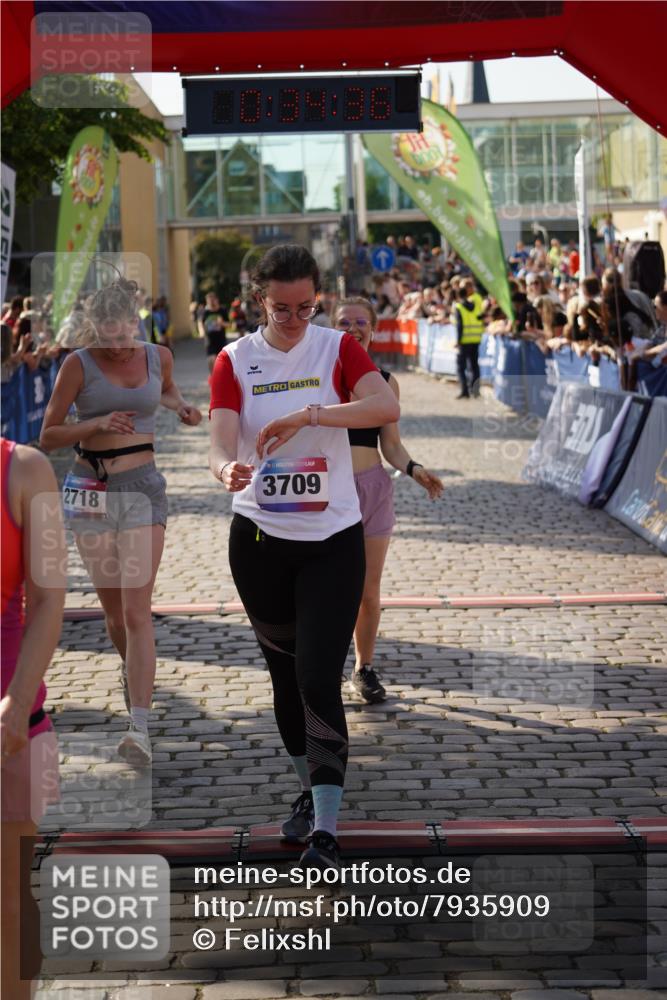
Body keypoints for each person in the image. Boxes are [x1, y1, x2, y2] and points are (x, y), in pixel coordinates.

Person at [208, 244, 399, 871]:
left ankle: (325, 823)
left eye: (305, 306)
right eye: (280, 308)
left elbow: (384, 406)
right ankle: (307, 784)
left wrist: (309, 413)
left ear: (317, 297)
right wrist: (226, 468)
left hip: (333, 540)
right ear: (258, 298)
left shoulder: (338, 349)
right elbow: (218, 443)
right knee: (286, 680)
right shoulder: (233, 359)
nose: (293, 318)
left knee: (319, 675)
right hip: (260, 543)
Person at [40, 275, 202, 765]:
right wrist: (95, 423)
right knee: (113, 615)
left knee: (136, 611)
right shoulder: (77, 364)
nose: (114, 345)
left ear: (135, 323)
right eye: (104, 336)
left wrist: (181, 408)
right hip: (89, 491)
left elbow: (166, 391)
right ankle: (133, 673)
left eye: (121, 334)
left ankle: (140, 726)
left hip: (142, 490)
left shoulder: (159, 356)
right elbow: (49, 435)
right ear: (93, 329)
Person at [333, 297, 443, 703]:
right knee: (329, 588)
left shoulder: (385, 380)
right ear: (331, 329)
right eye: (344, 322)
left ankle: (362, 669)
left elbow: (391, 445)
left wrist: (415, 470)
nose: (353, 327)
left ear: (374, 330)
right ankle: (322, 666)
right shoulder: (320, 375)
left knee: (368, 590)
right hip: (330, 492)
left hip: (374, 489)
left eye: (362, 321)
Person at [1, 438, 66, 1000]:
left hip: (13, 732)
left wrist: (17, 702)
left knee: (7, 900)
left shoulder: (24, 469)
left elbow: (48, 599)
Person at [454, 280, 485, 398]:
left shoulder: (459, 307)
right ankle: (475, 391)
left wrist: (458, 341)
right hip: (475, 339)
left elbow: (459, 326)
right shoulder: (476, 305)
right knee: (474, 365)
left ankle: (464, 391)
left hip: (464, 341)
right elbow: (480, 317)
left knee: (461, 367)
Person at [198, 291, 228, 374]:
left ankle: (220, 376)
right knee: (211, 359)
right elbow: (201, 322)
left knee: (221, 361)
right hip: (209, 340)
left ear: (216, 300)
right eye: (209, 300)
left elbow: (229, 324)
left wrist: (221, 323)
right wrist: (201, 332)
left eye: (212, 300)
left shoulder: (222, 310)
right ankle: (213, 376)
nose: (211, 302)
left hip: (221, 340)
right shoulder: (205, 312)